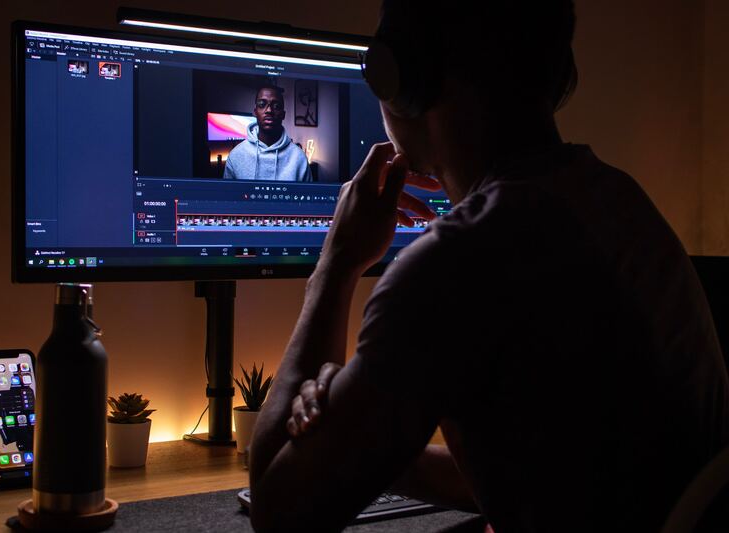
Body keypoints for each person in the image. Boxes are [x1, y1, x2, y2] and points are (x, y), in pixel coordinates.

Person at [248, 1, 729, 532]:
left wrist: (337, 264)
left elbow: (276, 509)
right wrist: (367, 446)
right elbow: (567, 476)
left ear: (400, 80)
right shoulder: (619, 201)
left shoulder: (458, 261)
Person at [223, 85, 311, 182]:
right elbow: (228, 195)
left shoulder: (299, 158)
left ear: (283, 114)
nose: (269, 110)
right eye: (262, 104)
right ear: (255, 112)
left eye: (276, 106)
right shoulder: (236, 156)